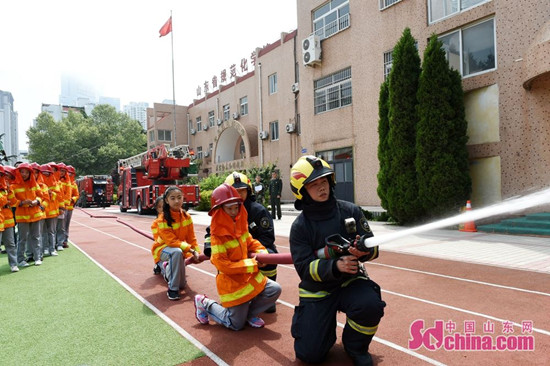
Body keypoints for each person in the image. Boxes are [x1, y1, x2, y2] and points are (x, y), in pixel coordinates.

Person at [288, 155, 386, 366]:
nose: (321, 187)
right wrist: (335, 265)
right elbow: (304, 268)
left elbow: (373, 246)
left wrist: (364, 253)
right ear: (302, 191)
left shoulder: (350, 211)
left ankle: (355, 346)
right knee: (310, 355)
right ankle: (322, 334)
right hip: (317, 288)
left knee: (370, 305)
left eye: (324, 181)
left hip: (350, 280)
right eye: (314, 185)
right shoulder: (300, 227)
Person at [193, 183, 281, 330]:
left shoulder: (240, 223)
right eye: (229, 208)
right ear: (220, 209)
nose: (234, 212)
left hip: (248, 278)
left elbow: (250, 242)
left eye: (236, 207)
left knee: (274, 289)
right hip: (233, 284)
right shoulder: (217, 236)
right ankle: (204, 303)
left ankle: (248, 314)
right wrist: (253, 264)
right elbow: (224, 266)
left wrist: (262, 252)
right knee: (235, 325)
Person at [224, 171, 279, 313]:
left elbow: (268, 237)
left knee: (271, 256)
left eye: (242, 191)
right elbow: (211, 232)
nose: (239, 195)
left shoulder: (258, 211)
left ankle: (267, 296)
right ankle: (236, 295)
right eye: (235, 191)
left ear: (249, 191)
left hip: (257, 249)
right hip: (235, 252)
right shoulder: (224, 212)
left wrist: (252, 252)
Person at [151, 186, 200, 300]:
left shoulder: (186, 217)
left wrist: (196, 252)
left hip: (178, 248)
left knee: (182, 284)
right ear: (167, 201)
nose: (177, 201)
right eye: (172, 198)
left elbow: (191, 238)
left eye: (179, 197)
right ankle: (172, 289)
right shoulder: (162, 219)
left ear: (183, 198)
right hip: (162, 249)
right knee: (177, 253)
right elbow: (171, 241)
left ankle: (168, 269)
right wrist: (191, 251)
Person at [12, 163, 46, 267]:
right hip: (22, 216)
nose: (24, 174)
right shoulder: (14, 185)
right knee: (22, 239)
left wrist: (37, 201)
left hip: (35, 214)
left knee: (36, 237)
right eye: (22, 172)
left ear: (30, 173)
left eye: (26, 172)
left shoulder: (34, 184)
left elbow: (41, 196)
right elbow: (12, 200)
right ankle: (21, 260)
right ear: (18, 172)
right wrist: (21, 203)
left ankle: (37, 258)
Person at [0, 166, 18, 272]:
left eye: (2, 175)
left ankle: (13, 264)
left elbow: (14, 202)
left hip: (8, 218)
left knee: (10, 243)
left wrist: (9, 191)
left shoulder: (7, 188)